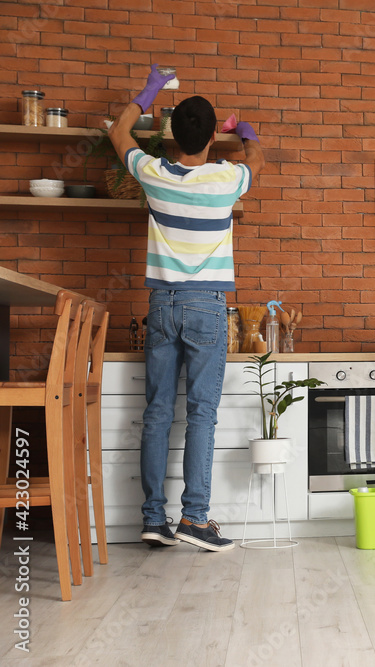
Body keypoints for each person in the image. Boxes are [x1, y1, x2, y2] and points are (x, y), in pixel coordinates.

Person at [109, 64, 265, 552]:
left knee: (157, 413)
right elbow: (258, 158)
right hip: (206, 307)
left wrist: (150, 88)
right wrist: (242, 130)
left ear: (171, 135)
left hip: (161, 304)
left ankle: (153, 519)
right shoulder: (226, 178)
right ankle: (194, 520)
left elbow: (118, 133)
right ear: (211, 137)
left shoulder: (153, 173)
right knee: (201, 415)